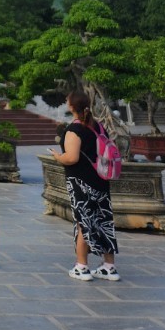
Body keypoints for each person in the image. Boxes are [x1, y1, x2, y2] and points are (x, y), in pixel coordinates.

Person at [51, 91, 120, 282]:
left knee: (84, 221)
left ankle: (82, 266)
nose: (66, 102)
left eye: (67, 100)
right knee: (104, 221)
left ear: (72, 106)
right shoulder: (97, 126)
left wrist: (58, 157)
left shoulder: (74, 129)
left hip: (81, 182)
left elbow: (71, 158)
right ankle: (109, 266)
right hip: (101, 179)